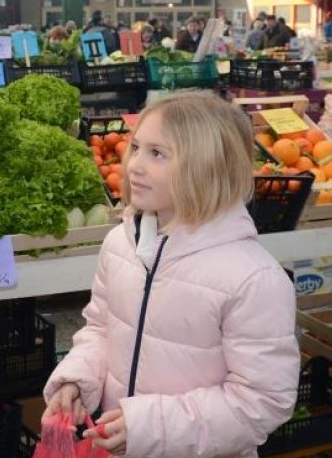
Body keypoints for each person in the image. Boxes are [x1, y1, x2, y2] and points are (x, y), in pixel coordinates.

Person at [42, 91, 299, 458]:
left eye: (157, 154)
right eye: (136, 148)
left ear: (205, 167)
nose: (134, 166)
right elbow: (100, 328)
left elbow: (263, 401)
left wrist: (149, 427)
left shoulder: (252, 278)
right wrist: (77, 379)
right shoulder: (120, 245)